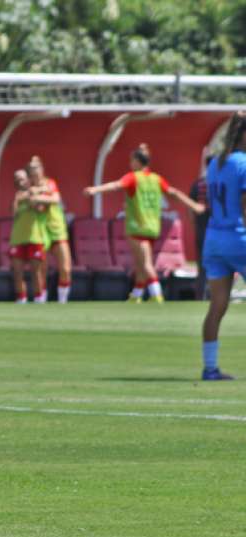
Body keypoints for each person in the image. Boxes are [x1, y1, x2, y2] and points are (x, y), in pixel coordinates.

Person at [84, 144, 204, 303]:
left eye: (132, 160)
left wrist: (95, 190)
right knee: (140, 262)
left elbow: (115, 185)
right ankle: (136, 295)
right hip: (153, 227)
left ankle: (157, 294)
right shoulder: (156, 179)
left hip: (137, 226)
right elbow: (173, 193)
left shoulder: (133, 177)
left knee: (145, 263)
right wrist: (193, 205)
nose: (130, 163)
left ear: (137, 161)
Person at [199, 112, 246, 380]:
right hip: (239, 238)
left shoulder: (216, 163)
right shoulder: (244, 164)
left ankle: (210, 368)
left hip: (214, 239)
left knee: (217, 306)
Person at [26, 156, 72, 303]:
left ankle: (62, 300)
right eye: (32, 173)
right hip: (40, 231)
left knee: (65, 268)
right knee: (41, 270)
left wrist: (40, 196)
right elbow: (36, 205)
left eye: (38, 171)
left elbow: (55, 199)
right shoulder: (29, 189)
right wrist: (42, 196)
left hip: (57, 228)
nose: (36, 175)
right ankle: (41, 300)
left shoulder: (50, 183)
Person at [9, 169, 48, 303]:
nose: (20, 182)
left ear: (28, 179)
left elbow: (41, 209)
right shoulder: (17, 197)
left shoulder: (36, 193)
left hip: (34, 237)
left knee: (36, 272)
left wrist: (31, 198)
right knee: (17, 272)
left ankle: (39, 298)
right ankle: (21, 299)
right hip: (18, 238)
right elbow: (14, 214)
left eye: (22, 178)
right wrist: (19, 199)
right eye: (16, 179)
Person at [189, 159, 212, 300]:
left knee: (202, 264)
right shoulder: (222, 182)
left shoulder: (198, 184)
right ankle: (211, 295)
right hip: (217, 230)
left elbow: (191, 208)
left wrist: (194, 225)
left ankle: (201, 296)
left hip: (202, 229)